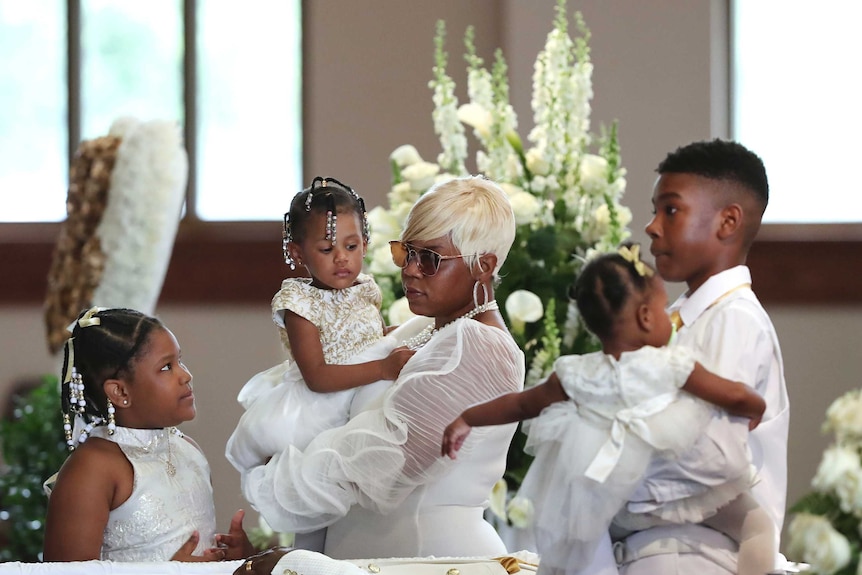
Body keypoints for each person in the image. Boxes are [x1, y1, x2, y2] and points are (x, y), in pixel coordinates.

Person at [232, 175, 526, 559]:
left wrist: (274, 472)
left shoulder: (478, 346)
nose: (411, 270)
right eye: (407, 252)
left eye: (430, 258)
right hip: (375, 557)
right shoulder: (420, 331)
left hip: (430, 559)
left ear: (483, 265)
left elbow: (385, 460)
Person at [442, 245, 773, 575]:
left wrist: (468, 418)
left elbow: (521, 403)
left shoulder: (575, 374)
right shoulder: (669, 363)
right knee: (757, 524)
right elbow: (733, 394)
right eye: (662, 310)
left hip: (617, 502)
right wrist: (756, 406)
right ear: (646, 317)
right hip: (684, 488)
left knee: (582, 542)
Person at [614, 139, 790, 574]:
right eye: (654, 210)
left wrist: (610, 495)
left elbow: (707, 462)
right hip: (654, 550)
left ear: (728, 221)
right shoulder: (676, 321)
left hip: (695, 556)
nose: (652, 226)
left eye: (670, 210)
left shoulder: (734, 320)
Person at [225, 176, 414, 476]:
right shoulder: (300, 305)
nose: (341, 257)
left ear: (365, 244)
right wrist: (383, 368)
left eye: (351, 246)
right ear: (298, 253)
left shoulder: (365, 288)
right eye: (327, 249)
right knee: (319, 485)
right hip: (319, 413)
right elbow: (317, 376)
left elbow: (372, 339)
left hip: (365, 399)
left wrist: (404, 337)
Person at [43, 307, 255, 562]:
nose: (186, 375)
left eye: (180, 360)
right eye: (166, 367)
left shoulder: (188, 449)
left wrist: (234, 557)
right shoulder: (93, 467)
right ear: (120, 392)